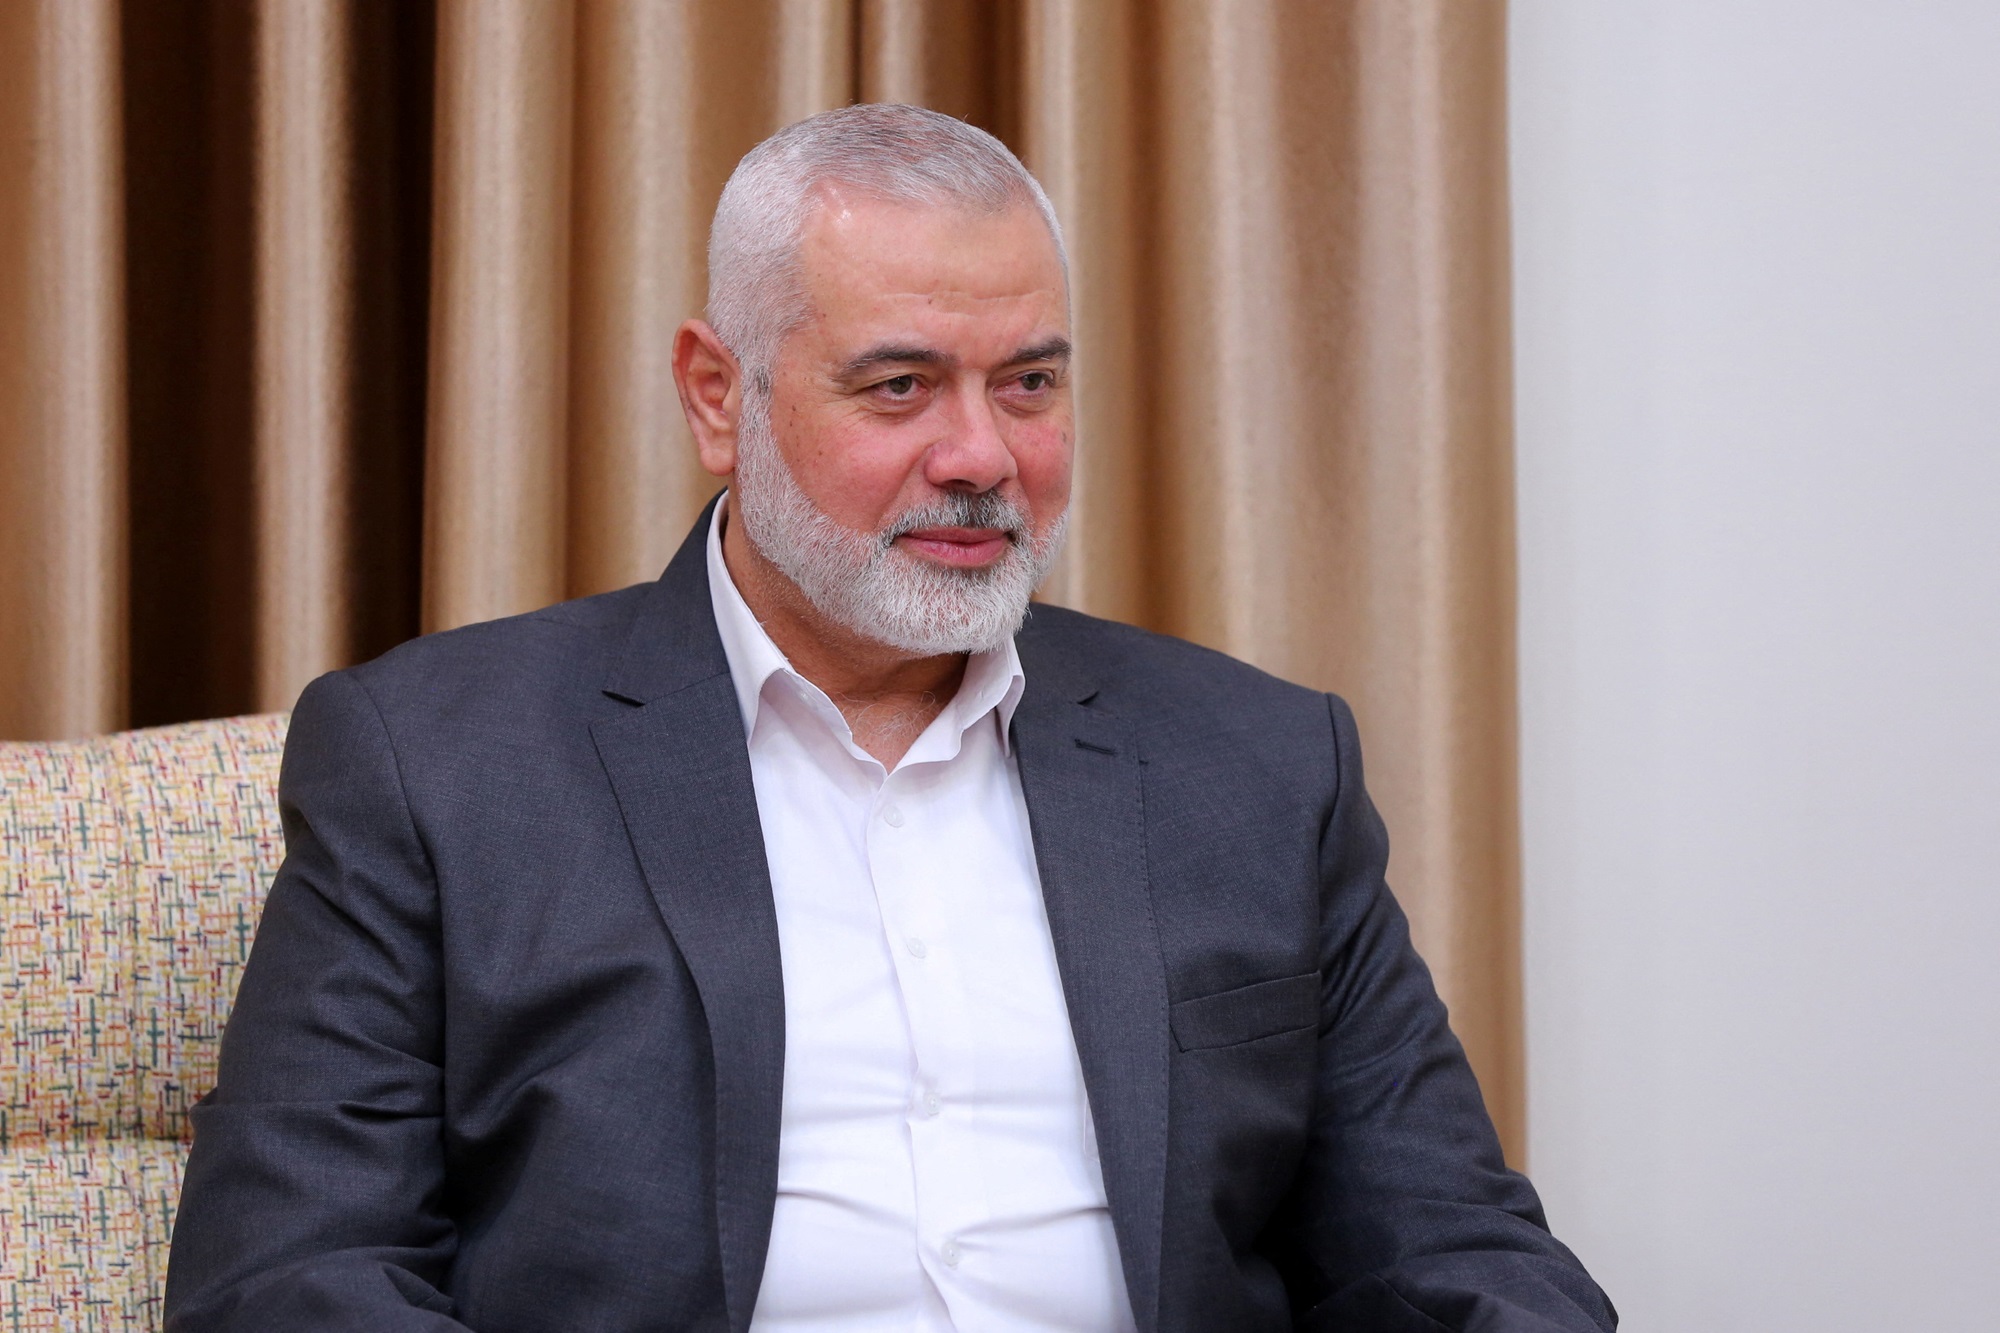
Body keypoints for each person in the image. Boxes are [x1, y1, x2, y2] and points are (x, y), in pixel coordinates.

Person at [164, 103, 1614, 1332]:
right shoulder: (438, 761)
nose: (981, 455)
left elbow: (1449, 1245)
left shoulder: (1260, 764)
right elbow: (290, 1272)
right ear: (718, 396)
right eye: (901, 385)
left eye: (1028, 384)